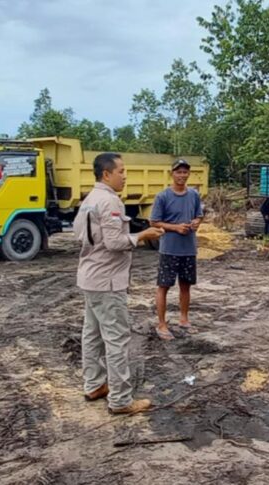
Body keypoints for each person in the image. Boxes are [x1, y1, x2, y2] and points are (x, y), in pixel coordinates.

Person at [73, 152, 164, 414]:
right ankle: (121, 400)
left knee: (91, 334)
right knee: (116, 339)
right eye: (121, 171)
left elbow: (80, 235)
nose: (125, 176)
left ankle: (94, 384)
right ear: (106, 174)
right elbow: (114, 243)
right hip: (107, 281)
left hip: (90, 277)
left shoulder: (90, 199)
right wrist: (142, 235)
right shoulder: (110, 201)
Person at [149, 159, 204, 340]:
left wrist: (196, 222)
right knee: (164, 286)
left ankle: (184, 319)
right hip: (169, 249)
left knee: (186, 286)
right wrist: (175, 227)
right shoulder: (163, 197)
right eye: (178, 172)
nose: (182, 175)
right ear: (172, 173)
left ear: (189, 174)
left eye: (185, 172)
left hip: (188, 248)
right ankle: (162, 323)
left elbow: (198, 215)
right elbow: (154, 222)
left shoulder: (194, 195)